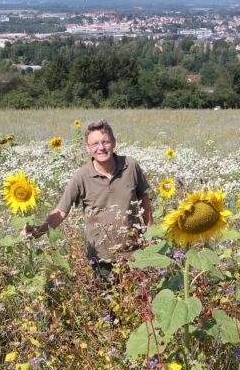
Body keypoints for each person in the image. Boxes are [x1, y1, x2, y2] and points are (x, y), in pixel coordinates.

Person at [23, 120, 153, 280]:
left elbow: (144, 197)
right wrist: (38, 231)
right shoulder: (81, 176)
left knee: (140, 302)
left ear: (113, 142)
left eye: (105, 141)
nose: (101, 148)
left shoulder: (130, 166)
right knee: (107, 303)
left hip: (136, 254)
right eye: (95, 144)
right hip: (102, 259)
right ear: (88, 147)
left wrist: (150, 232)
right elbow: (61, 211)